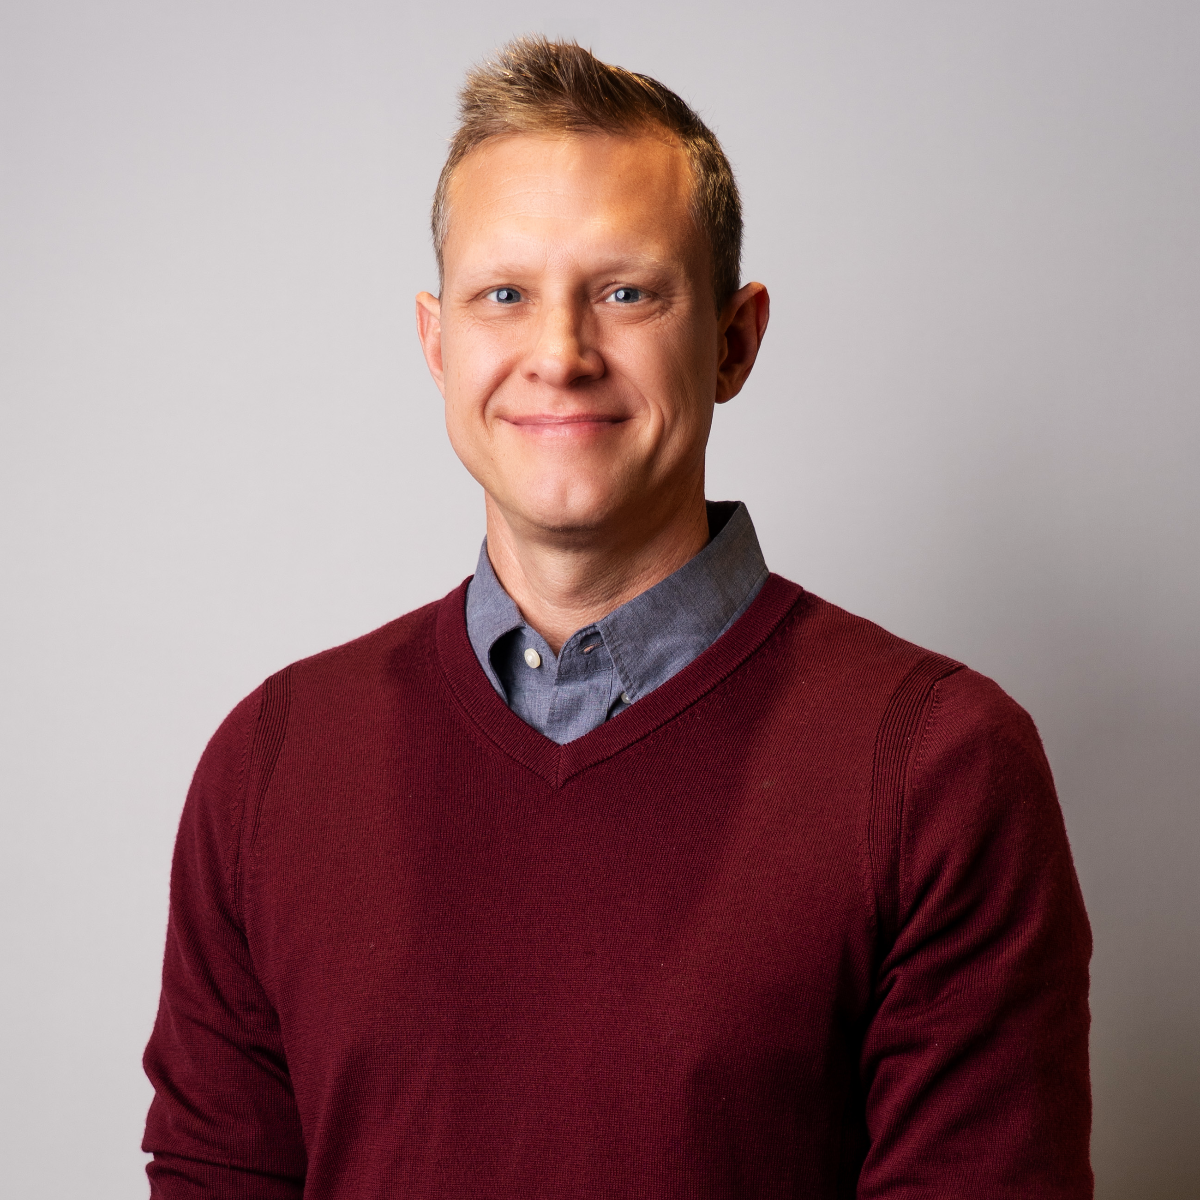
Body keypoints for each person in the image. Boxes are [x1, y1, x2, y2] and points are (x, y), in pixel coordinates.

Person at [142, 36, 1093, 1198]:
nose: (560, 354)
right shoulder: (272, 763)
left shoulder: (938, 765)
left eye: (626, 292)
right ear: (438, 346)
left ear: (735, 340)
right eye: (506, 296)